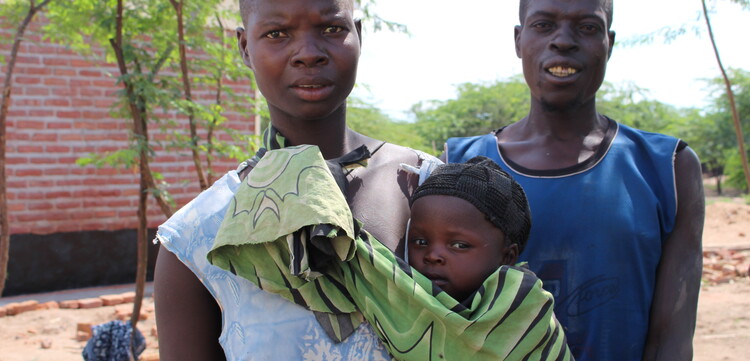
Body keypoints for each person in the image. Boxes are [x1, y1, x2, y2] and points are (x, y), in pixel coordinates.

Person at [152, 0, 432, 359]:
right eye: (277, 33)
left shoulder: (430, 188)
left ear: (358, 36)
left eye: (331, 29)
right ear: (245, 48)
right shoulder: (197, 237)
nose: (308, 54)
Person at [444, 0, 705, 360]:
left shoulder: (668, 168)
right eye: (543, 25)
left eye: (586, 27)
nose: (563, 41)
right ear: (519, 40)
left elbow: (671, 341)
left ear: (608, 43)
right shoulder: (457, 166)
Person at [208, 152, 572, 360]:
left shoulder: (528, 313)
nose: (434, 257)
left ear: (507, 257)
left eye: (459, 245)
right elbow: (359, 262)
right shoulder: (402, 292)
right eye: (421, 242)